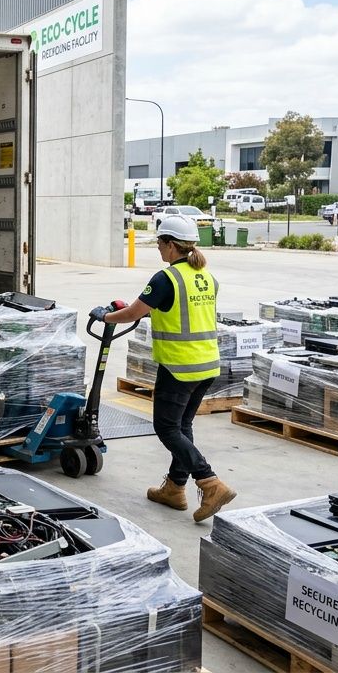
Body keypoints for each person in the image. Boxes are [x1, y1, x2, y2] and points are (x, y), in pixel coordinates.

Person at [90, 214, 237, 522]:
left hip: (179, 366)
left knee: (167, 428)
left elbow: (133, 313)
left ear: (171, 246)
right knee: (183, 427)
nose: (158, 249)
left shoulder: (165, 278)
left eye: (159, 243)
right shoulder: (207, 277)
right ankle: (174, 488)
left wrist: (104, 317)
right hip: (207, 365)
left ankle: (209, 482)